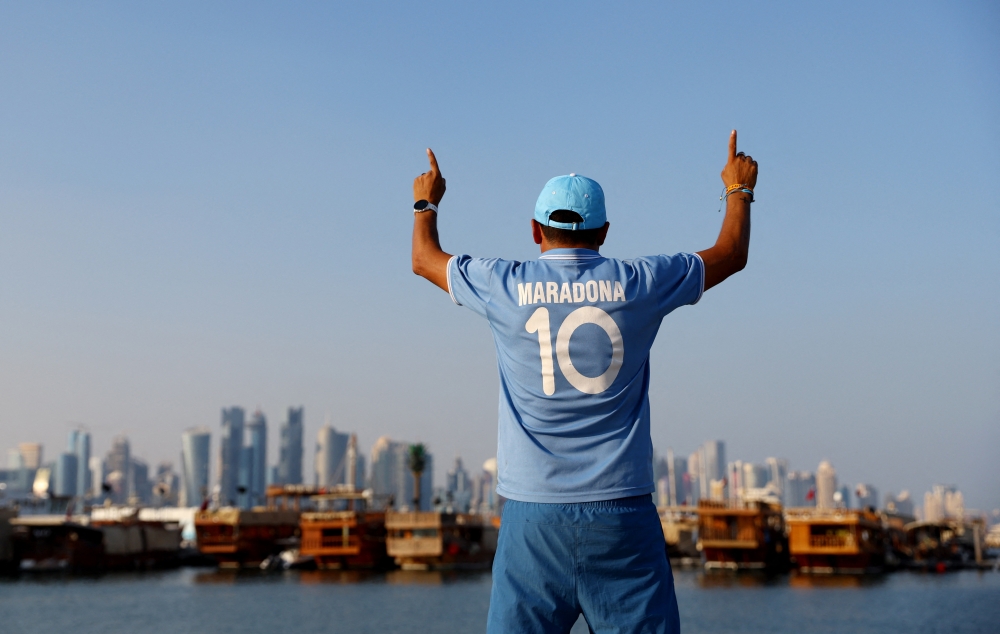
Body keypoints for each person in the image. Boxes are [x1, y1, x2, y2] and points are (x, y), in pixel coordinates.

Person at [410, 131, 757, 634]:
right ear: (605, 231)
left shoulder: (502, 284)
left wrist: (427, 200)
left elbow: (424, 259)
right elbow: (730, 253)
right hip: (624, 518)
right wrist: (737, 189)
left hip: (531, 521)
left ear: (535, 231)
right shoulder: (641, 282)